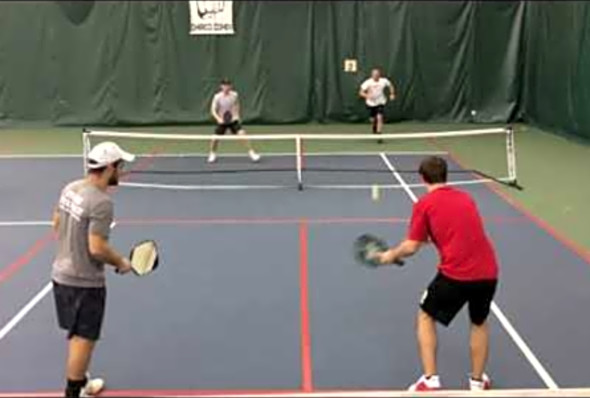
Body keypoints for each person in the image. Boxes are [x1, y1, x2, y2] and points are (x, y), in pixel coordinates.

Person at [376, 156, 499, 391]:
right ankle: (477, 381)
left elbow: (412, 246)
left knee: (425, 315)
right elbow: (457, 230)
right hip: (488, 272)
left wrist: (390, 255)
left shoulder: (424, 204)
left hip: (457, 274)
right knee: (479, 321)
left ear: (422, 178)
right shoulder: (466, 198)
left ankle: (430, 380)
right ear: (445, 176)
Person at [51, 141, 136, 397]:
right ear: (110, 168)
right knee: (83, 339)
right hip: (83, 282)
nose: (121, 172)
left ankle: (83, 381)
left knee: (76, 334)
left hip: (60, 274)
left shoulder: (71, 188)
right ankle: (74, 393)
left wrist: (70, 247)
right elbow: (96, 248)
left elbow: (56, 222)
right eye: (120, 166)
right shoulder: (101, 202)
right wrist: (121, 262)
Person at [207, 78, 261, 163]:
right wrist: (218, 119)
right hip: (222, 120)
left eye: (228, 85)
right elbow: (213, 110)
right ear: (221, 86)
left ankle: (252, 153)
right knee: (214, 138)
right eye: (224, 85)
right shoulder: (217, 97)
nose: (226, 87)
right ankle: (212, 154)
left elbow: (237, 105)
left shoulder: (234, 95)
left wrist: (237, 115)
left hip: (233, 120)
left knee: (243, 135)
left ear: (231, 86)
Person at [359, 68, 395, 143]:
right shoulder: (368, 82)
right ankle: (374, 126)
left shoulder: (384, 81)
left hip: (380, 102)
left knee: (379, 117)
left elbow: (390, 86)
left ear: (379, 75)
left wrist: (392, 94)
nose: (376, 76)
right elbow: (361, 92)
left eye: (377, 75)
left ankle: (379, 135)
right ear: (372, 75)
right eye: (374, 75)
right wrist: (367, 96)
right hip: (371, 103)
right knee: (373, 119)